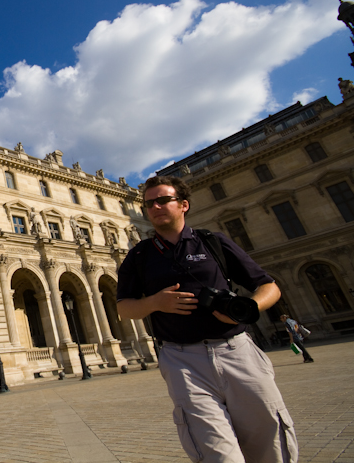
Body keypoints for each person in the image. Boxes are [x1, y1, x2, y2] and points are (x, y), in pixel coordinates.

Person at [116, 175, 297, 463]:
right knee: (216, 454)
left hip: (236, 351)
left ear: (183, 204)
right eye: (149, 204)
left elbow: (269, 286)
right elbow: (124, 308)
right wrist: (155, 302)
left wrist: (248, 307)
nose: (155, 207)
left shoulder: (212, 242)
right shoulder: (138, 256)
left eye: (163, 200)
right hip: (182, 359)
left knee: (271, 445)